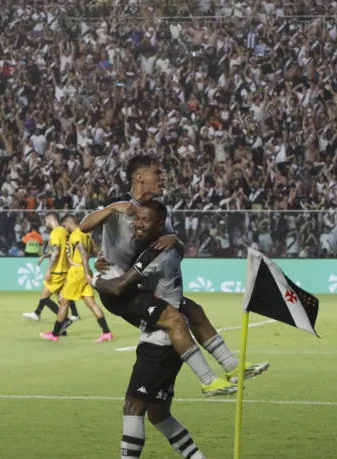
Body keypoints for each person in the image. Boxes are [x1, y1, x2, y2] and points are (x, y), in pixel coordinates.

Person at [81, 154, 267, 393]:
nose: (163, 177)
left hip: (141, 283)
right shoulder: (117, 203)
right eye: (157, 172)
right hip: (119, 288)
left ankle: (233, 367)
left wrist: (175, 238)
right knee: (174, 319)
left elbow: (177, 252)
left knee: (194, 310)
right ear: (140, 177)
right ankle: (208, 380)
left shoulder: (157, 211)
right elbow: (84, 226)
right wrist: (114, 208)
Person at [88, 200, 224, 459]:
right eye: (136, 221)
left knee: (132, 407)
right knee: (158, 413)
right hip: (167, 337)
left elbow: (117, 288)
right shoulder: (163, 247)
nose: (137, 225)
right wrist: (104, 260)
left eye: (144, 221)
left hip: (160, 339)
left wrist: (92, 277)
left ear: (159, 225)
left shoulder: (155, 252)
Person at [40, 215, 113, 342]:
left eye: (65, 226)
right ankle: (106, 332)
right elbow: (95, 250)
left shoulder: (75, 235)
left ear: (69, 224)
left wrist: (84, 272)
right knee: (91, 303)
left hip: (78, 272)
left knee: (64, 301)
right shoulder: (86, 235)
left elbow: (84, 253)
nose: (65, 230)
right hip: (84, 270)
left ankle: (55, 333)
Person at [22, 212, 79, 326]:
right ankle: (59, 325)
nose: (46, 224)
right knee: (62, 299)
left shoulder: (55, 232)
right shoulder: (64, 231)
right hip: (65, 269)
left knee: (45, 297)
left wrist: (49, 269)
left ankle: (64, 321)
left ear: (50, 219)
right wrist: (44, 256)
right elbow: (60, 250)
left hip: (57, 270)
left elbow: (56, 251)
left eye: (46, 221)